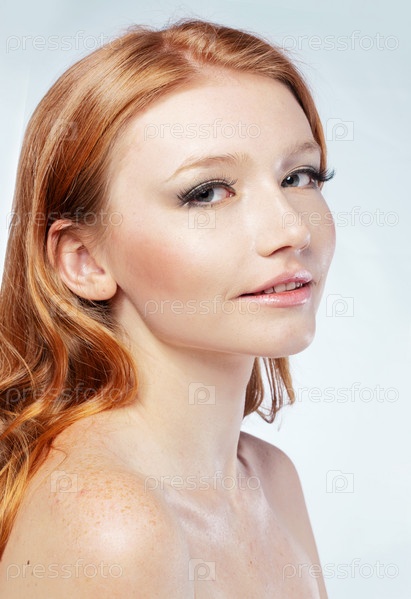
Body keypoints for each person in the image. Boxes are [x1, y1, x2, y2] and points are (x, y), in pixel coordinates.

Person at [0, 18, 335, 597]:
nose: (291, 229)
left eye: (298, 176)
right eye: (207, 192)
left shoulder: (272, 479)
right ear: (84, 260)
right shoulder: (113, 525)